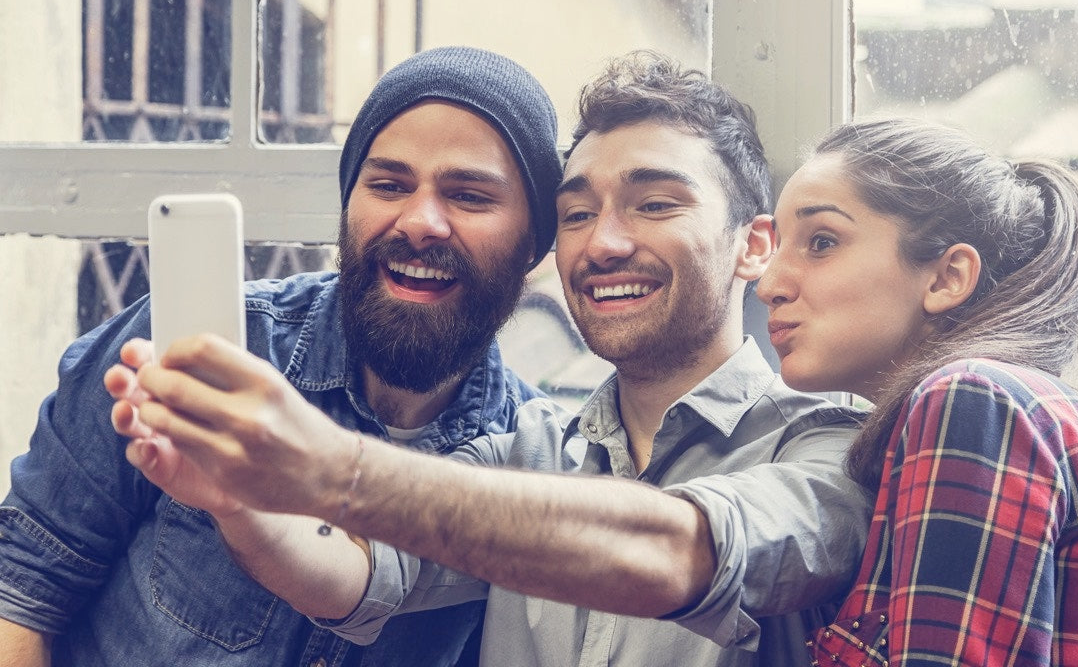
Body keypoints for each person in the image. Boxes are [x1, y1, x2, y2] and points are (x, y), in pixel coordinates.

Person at [108, 51, 872, 666]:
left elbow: (680, 551)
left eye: (656, 203)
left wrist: (328, 466)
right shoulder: (528, 444)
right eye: (577, 214)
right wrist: (237, 498)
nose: (603, 243)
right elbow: (354, 577)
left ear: (754, 244)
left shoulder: (837, 444)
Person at [0, 46, 564, 666]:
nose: (421, 221)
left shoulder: (530, 466)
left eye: (469, 196)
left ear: (533, 242)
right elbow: (23, 590)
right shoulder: (201, 348)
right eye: (388, 185)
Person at [756, 118, 1078, 666]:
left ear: (947, 278)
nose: (768, 285)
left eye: (821, 243)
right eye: (779, 246)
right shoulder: (988, 409)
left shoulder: (974, 399)